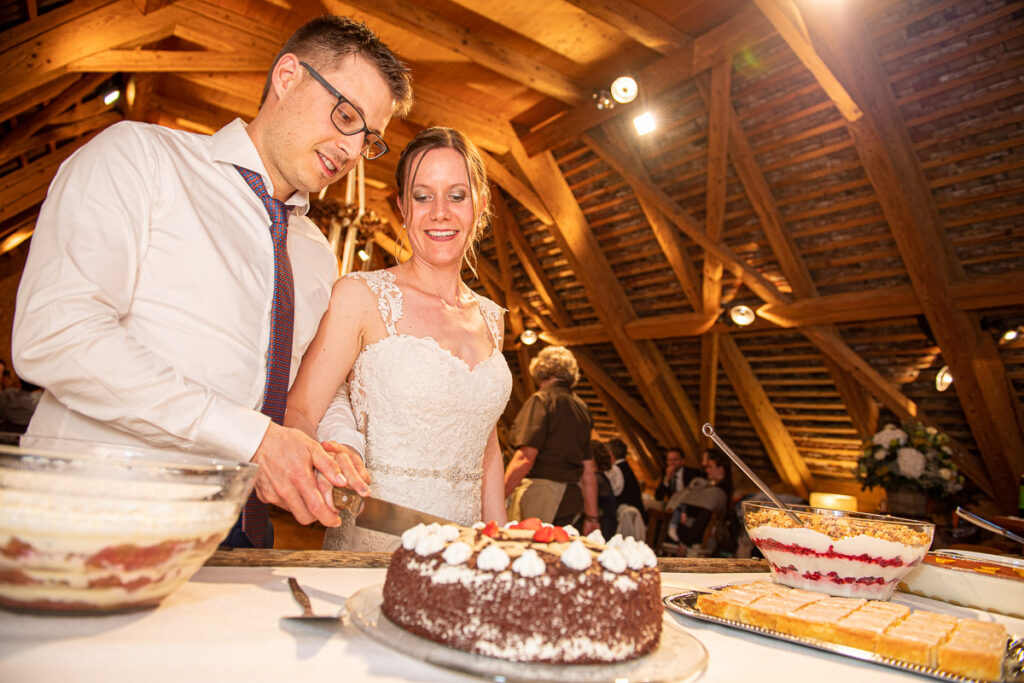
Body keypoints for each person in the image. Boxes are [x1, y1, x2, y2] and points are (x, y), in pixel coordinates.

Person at [11, 15, 414, 548]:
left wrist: (336, 442)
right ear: (288, 76)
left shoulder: (316, 250)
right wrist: (253, 440)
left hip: (241, 534)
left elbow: (304, 381)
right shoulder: (141, 158)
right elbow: (55, 334)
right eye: (345, 116)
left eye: (369, 139)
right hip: (96, 520)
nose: (350, 150)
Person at [285, 126, 513, 551]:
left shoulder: (491, 317)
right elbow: (299, 412)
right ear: (403, 208)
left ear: (480, 205)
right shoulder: (360, 295)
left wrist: (499, 545)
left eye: (457, 195)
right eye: (423, 196)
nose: (440, 211)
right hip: (379, 542)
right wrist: (332, 457)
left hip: (467, 549)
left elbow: (487, 448)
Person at [504, 345, 599, 535]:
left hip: (542, 495)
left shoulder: (541, 400)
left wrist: (498, 497)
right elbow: (588, 470)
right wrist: (592, 517)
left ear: (540, 373)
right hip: (572, 499)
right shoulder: (582, 408)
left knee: (529, 556)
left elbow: (525, 458)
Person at [666, 449, 733, 548]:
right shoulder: (706, 483)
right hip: (687, 523)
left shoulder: (720, 491)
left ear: (721, 469)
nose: (706, 470)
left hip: (698, 534)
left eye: (710, 467)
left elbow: (704, 515)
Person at [607, 437, 647, 522]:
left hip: (628, 518)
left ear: (610, 453)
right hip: (636, 515)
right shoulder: (625, 467)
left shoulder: (615, 470)